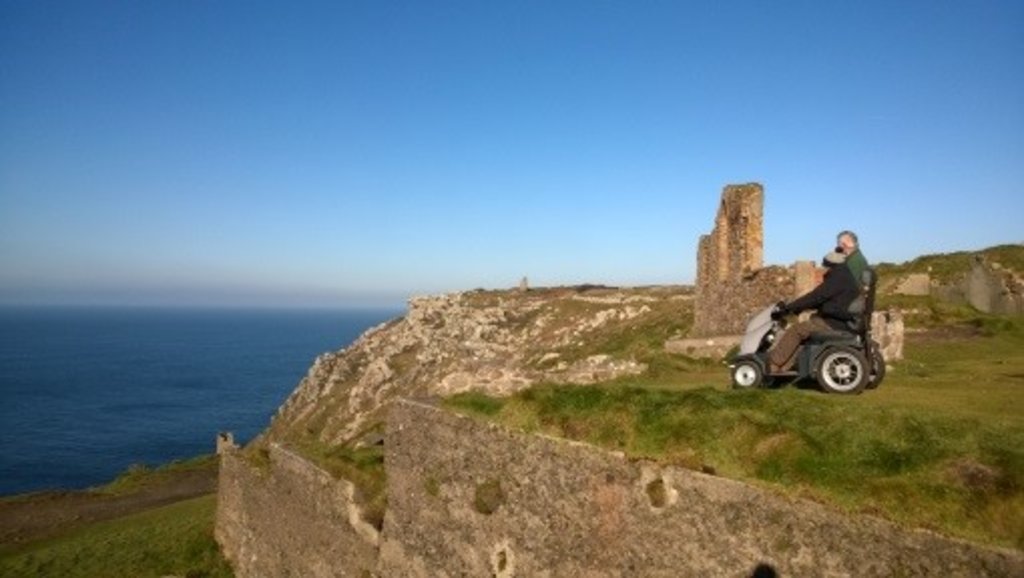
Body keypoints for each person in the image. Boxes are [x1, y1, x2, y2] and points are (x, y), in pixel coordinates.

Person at [767, 251, 861, 373]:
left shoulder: (837, 278)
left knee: (796, 330)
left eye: (825, 266)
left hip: (833, 323)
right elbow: (824, 299)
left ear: (830, 265)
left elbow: (816, 297)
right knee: (810, 324)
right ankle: (787, 366)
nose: (824, 269)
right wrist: (799, 308)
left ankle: (773, 364)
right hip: (842, 320)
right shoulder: (847, 276)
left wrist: (789, 308)